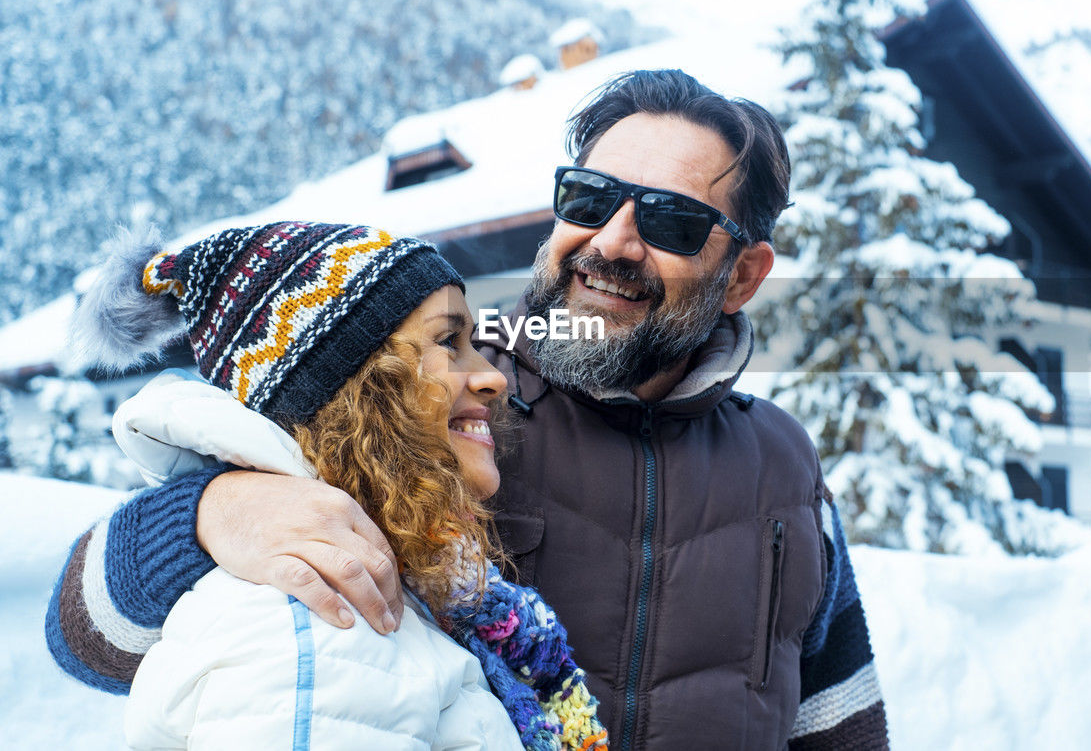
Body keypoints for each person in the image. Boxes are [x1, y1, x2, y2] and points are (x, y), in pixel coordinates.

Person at [47, 70, 890, 749]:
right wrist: (209, 512)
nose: (611, 241)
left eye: (669, 220)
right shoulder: (441, 392)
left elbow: (840, 721)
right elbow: (87, 636)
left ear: (743, 274)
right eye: (589, 199)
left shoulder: (782, 467)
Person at [50, 221, 607, 750]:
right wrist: (203, 512)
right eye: (448, 342)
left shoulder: (416, 577)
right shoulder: (324, 614)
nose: (492, 376)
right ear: (353, 393)